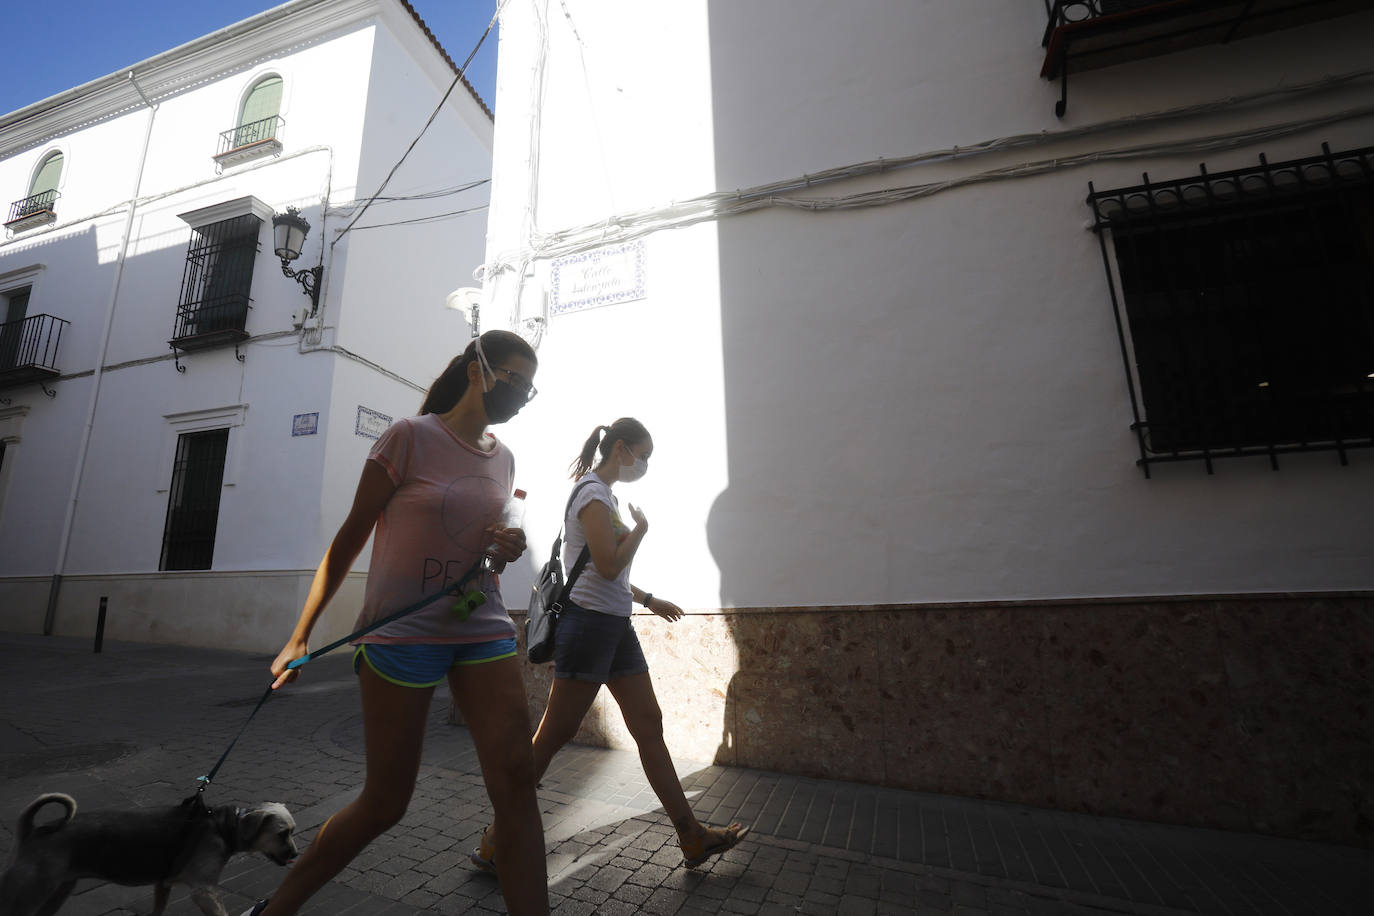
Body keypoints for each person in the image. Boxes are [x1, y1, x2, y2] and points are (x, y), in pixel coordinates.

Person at [240, 330, 549, 916]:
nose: (520, 393)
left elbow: (482, 543)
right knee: (386, 802)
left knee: (515, 782)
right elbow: (352, 535)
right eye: (514, 379)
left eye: (528, 389)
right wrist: (300, 635)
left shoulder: (504, 458)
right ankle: (278, 908)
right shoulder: (409, 437)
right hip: (401, 635)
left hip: (479, 623)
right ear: (478, 369)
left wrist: (504, 548)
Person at [473, 418, 748, 874]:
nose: (645, 463)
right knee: (552, 736)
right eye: (643, 454)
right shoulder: (593, 493)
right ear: (621, 448)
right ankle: (495, 839)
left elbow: (611, 572)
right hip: (588, 625)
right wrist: (641, 531)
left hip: (615, 625)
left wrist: (647, 598)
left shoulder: (607, 497)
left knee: (648, 726)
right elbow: (604, 566)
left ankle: (691, 836)